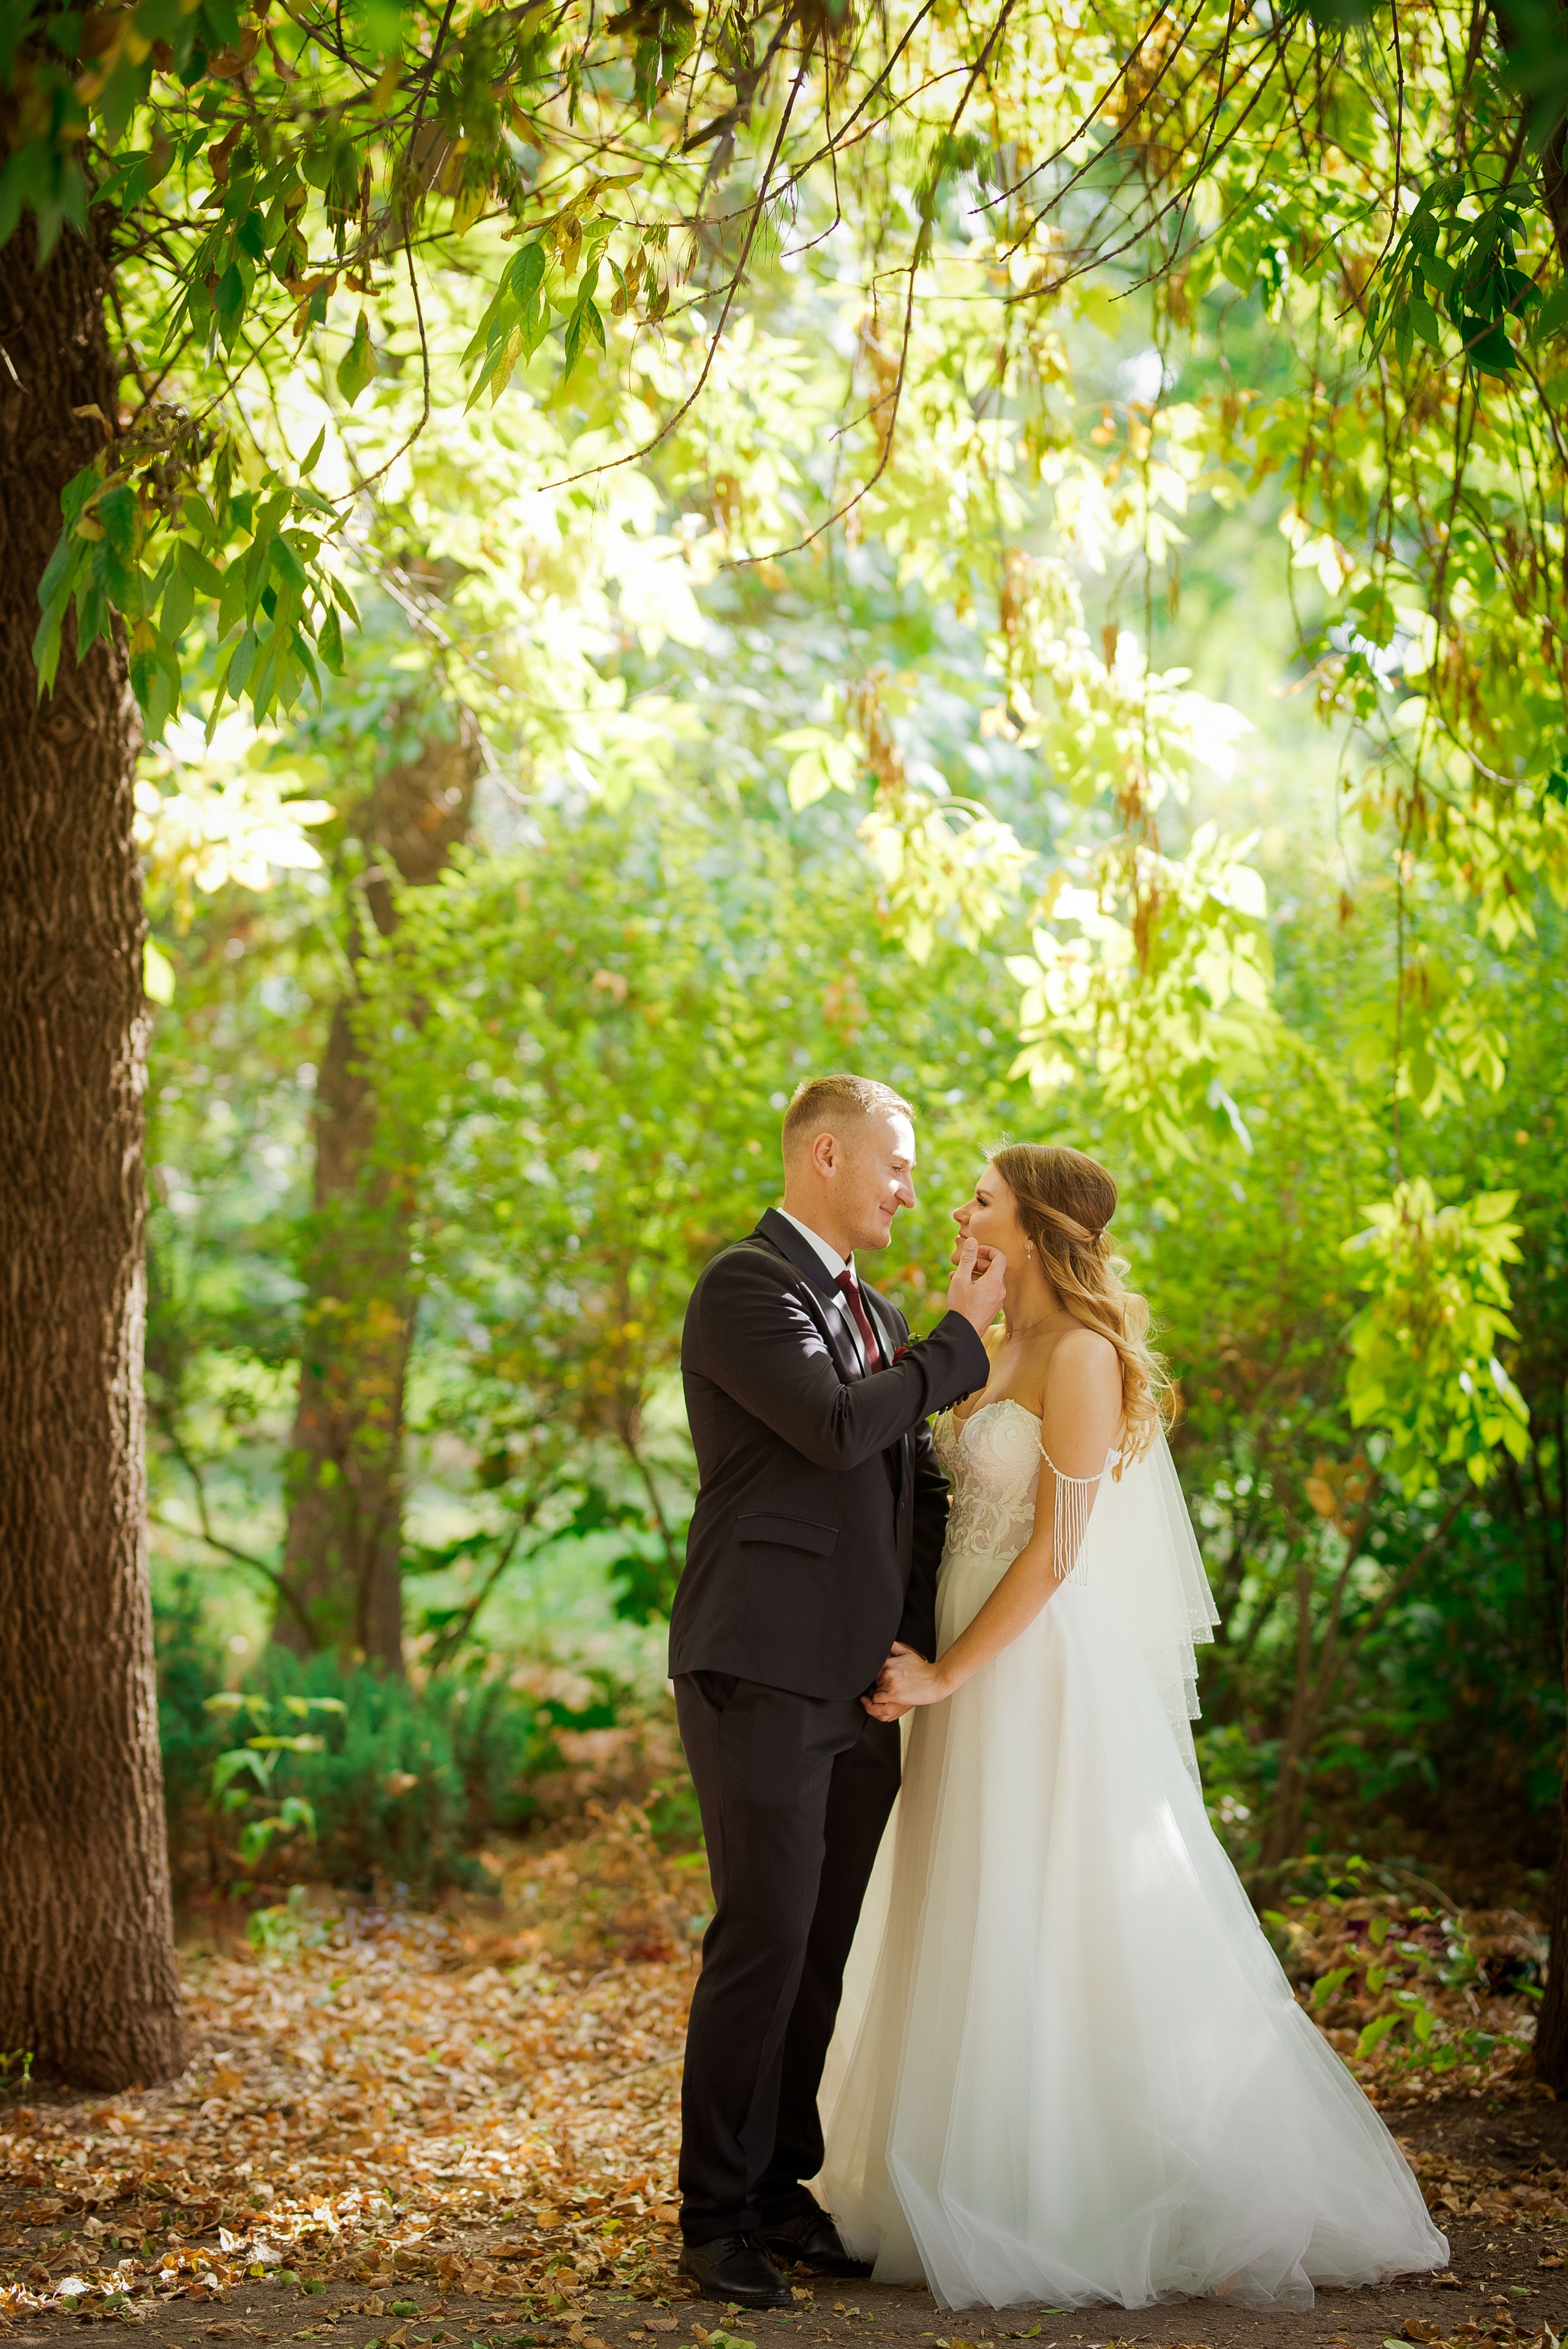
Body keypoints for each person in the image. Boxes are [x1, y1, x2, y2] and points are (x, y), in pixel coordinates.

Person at [818, 1142, 1450, 2312]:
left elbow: (1059, 1553)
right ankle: (965, 2175)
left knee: (1051, 1907)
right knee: (970, 1901)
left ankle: (1073, 2194)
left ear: (1041, 1227)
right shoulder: (996, 1344)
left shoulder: (1087, 1357)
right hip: (958, 1660)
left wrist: (951, 1674)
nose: (960, 1213)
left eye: (983, 1201)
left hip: (1029, 1668)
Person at [668, 1074, 1006, 2308]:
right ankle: (712, 2217)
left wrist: (910, 1654)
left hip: (854, 1683)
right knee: (759, 1935)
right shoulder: (744, 1287)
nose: (911, 1192)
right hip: (756, 1662)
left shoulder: (876, 1310)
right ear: (824, 1154)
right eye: (895, 1167)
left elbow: (897, 1495)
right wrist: (954, 1349)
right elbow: (827, 1426)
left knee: (819, 1943)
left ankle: (778, 2188)